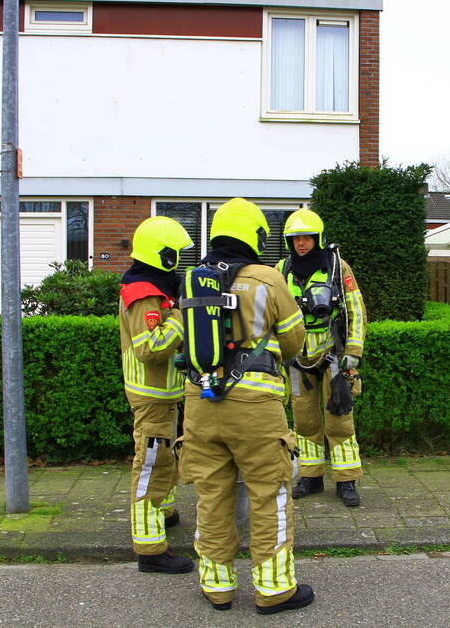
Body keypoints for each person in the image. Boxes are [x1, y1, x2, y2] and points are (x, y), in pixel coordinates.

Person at [178, 198, 313, 614]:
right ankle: (274, 590)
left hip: (200, 403)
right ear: (255, 235)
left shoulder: (191, 279)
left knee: (211, 494)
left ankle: (216, 587)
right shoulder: (268, 279)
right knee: (268, 492)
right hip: (256, 407)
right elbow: (294, 340)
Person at [118, 216, 195, 574]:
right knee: (149, 465)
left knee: (164, 457)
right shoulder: (144, 293)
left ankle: (163, 512)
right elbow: (150, 347)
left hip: (162, 394)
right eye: (175, 252)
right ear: (161, 254)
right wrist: (181, 318)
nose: (178, 258)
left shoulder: (156, 286)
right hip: (151, 396)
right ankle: (150, 550)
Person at [275, 209, 366, 508]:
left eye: (307, 238)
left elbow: (355, 308)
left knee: (339, 417)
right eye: (296, 239)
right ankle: (310, 477)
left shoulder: (338, 267)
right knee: (304, 419)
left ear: (317, 239)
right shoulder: (282, 269)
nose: (301, 244)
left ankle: (346, 480)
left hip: (334, 353)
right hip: (296, 357)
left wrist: (353, 350)